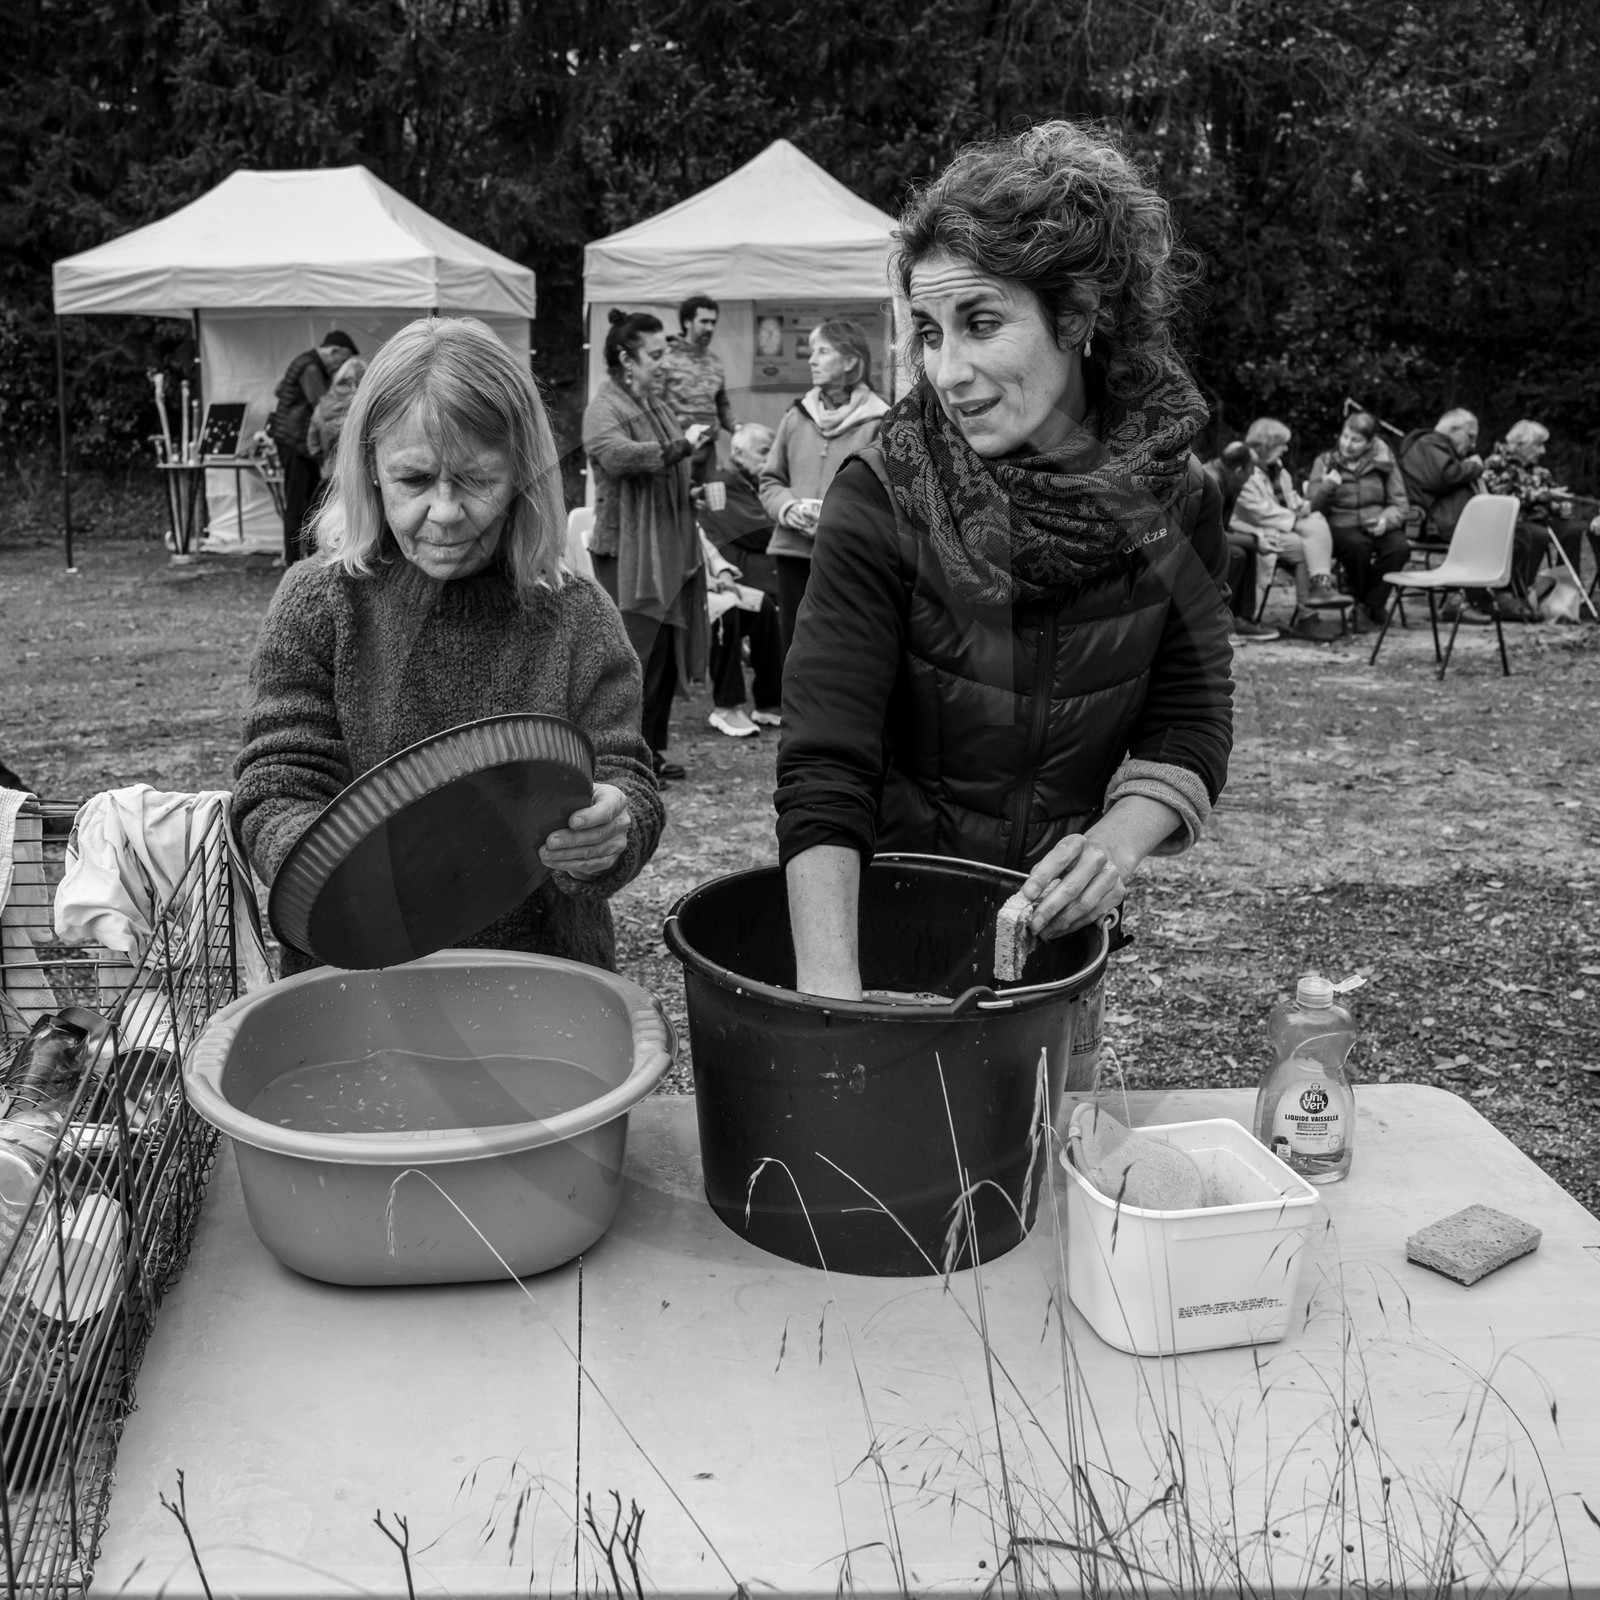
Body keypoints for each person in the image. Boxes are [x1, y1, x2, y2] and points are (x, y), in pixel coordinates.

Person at [775, 121, 1234, 1000]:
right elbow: (825, 762)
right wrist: (829, 1002)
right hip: (886, 924)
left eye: (980, 323)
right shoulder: (881, 494)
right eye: (929, 333)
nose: (947, 371)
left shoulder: (1177, 501)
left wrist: (1112, 847)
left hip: (1053, 938)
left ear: (1079, 313)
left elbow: (1190, 716)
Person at [233, 317, 663, 976]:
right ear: (370, 469)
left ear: (523, 473)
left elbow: (626, 775)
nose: (444, 513)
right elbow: (276, 783)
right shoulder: (320, 602)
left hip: (541, 975)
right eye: (413, 480)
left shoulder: (577, 615)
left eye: (477, 480)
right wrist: (345, 878)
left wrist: (610, 832)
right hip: (357, 975)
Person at [581, 310, 712, 783]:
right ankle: (626, 760)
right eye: (655, 355)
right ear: (626, 359)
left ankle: (651, 751)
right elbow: (619, 457)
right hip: (624, 552)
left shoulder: (654, 404)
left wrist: (687, 492)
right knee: (635, 660)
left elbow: (662, 473)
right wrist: (681, 448)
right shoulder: (604, 408)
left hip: (663, 546)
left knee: (660, 660)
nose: (664, 363)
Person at [759, 319, 890, 655]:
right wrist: (786, 507)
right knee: (792, 648)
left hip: (847, 556)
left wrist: (836, 520)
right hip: (792, 553)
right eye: (812, 352)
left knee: (838, 649)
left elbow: (886, 497)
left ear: (850, 361)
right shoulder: (795, 416)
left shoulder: (880, 422)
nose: (812, 360)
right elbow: (771, 480)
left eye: (822, 351)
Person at [697, 423, 784, 734]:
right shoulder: (720, 485)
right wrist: (789, 521)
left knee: (763, 608)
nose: (769, 460)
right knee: (728, 608)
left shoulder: (751, 482)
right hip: (713, 579)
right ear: (738, 453)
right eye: (763, 452)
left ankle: (770, 703)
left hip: (727, 573)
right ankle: (727, 706)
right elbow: (760, 532)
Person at [1231, 418, 1339, 639]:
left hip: (1280, 527)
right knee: (1302, 546)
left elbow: (1288, 501)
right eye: (1282, 444)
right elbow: (1258, 511)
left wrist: (1300, 507)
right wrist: (1295, 519)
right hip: (1253, 530)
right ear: (1267, 445)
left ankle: (1319, 587)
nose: (1286, 449)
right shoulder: (1244, 470)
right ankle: (1309, 611)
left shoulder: (1278, 471)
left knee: (1315, 520)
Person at [1306, 410, 1410, 633]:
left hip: (1376, 522)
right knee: (1357, 548)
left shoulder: (1383, 464)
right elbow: (1312, 509)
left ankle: (1367, 605)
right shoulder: (1325, 461)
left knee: (1399, 548)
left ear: (1369, 443)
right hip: (1339, 524)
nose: (1347, 444)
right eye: (1345, 437)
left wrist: (1386, 520)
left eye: (1356, 440)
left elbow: (1400, 503)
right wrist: (1328, 487)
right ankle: (1371, 608)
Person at [267, 331, 358, 567]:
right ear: (333, 351)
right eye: (342, 359)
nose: (339, 366)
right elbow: (323, 403)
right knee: (298, 501)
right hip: (294, 441)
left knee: (304, 500)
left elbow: (279, 389)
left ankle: (297, 557)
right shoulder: (310, 367)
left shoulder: (305, 362)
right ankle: (293, 560)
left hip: (294, 440)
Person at [1483, 419, 1581, 612]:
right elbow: (1504, 497)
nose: (1543, 451)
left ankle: (1565, 596)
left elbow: (1552, 494)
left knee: (1572, 530)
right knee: (1537, 534)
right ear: (1521, 444)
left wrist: (1560, 505)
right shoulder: (1496, 464)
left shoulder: (1539, 470)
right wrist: (1544, 495)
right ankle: (1518, 592)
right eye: (1538, 445)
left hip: (1540, 518)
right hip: (1512, 521)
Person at [1204, 441, 1275, 641]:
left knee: (1246, 548)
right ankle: (1215, 623)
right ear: (1238, 470)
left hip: (1204, 539)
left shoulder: (1227, 478)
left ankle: (1240, 619)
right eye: (1250, 472)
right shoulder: (1213, 482)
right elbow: (1211, 533)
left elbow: (1221, 528)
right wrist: (1254, 541)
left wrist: (1253, 540)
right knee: (1236, 554)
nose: (1251, 477)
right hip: (1187, 546)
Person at [1398, 407, 1483, 545]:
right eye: (1470, 437)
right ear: (1453, 430)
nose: (1473, 445)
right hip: (1435, 528)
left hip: (1443, 528)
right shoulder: (1428, 443)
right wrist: (1474, 466)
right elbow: (1445, 477)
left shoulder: (1435, 446)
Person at [659, 294, 736, 441]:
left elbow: (722, 405)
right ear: (687, 322)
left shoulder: (715, 362)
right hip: (676, 445)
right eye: (704, 321)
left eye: (713, 322)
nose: (710, 328)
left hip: (707, 445)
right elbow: (651, 404)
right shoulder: (665, 358)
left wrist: (736, 427)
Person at [306, 356, 367, 481]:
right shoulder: (365, 403)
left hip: (330, 472)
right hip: (361, 472)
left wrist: (324, 459)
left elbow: (312, 443)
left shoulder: (322, 406)